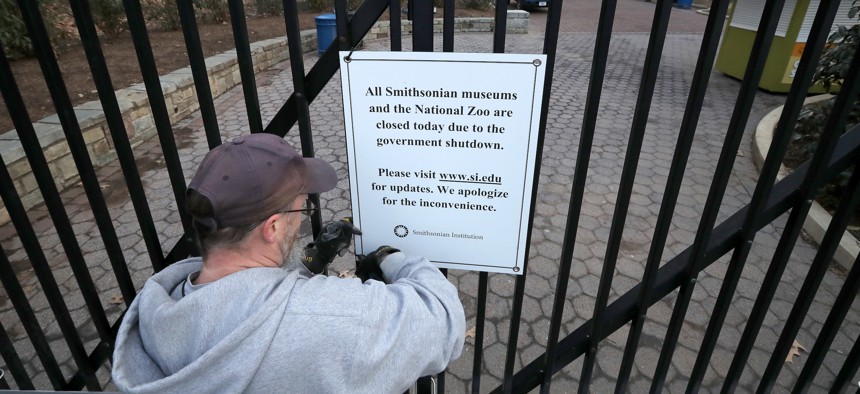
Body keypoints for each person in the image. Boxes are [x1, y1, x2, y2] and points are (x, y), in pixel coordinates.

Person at [111, 133, 465, 393]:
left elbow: (236, 308)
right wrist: (393, 258)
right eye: (302, 208)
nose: (302, 219)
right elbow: (443, 323)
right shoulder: (330, 319)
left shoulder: (160, 312)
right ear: (273, 227)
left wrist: (307, 266)